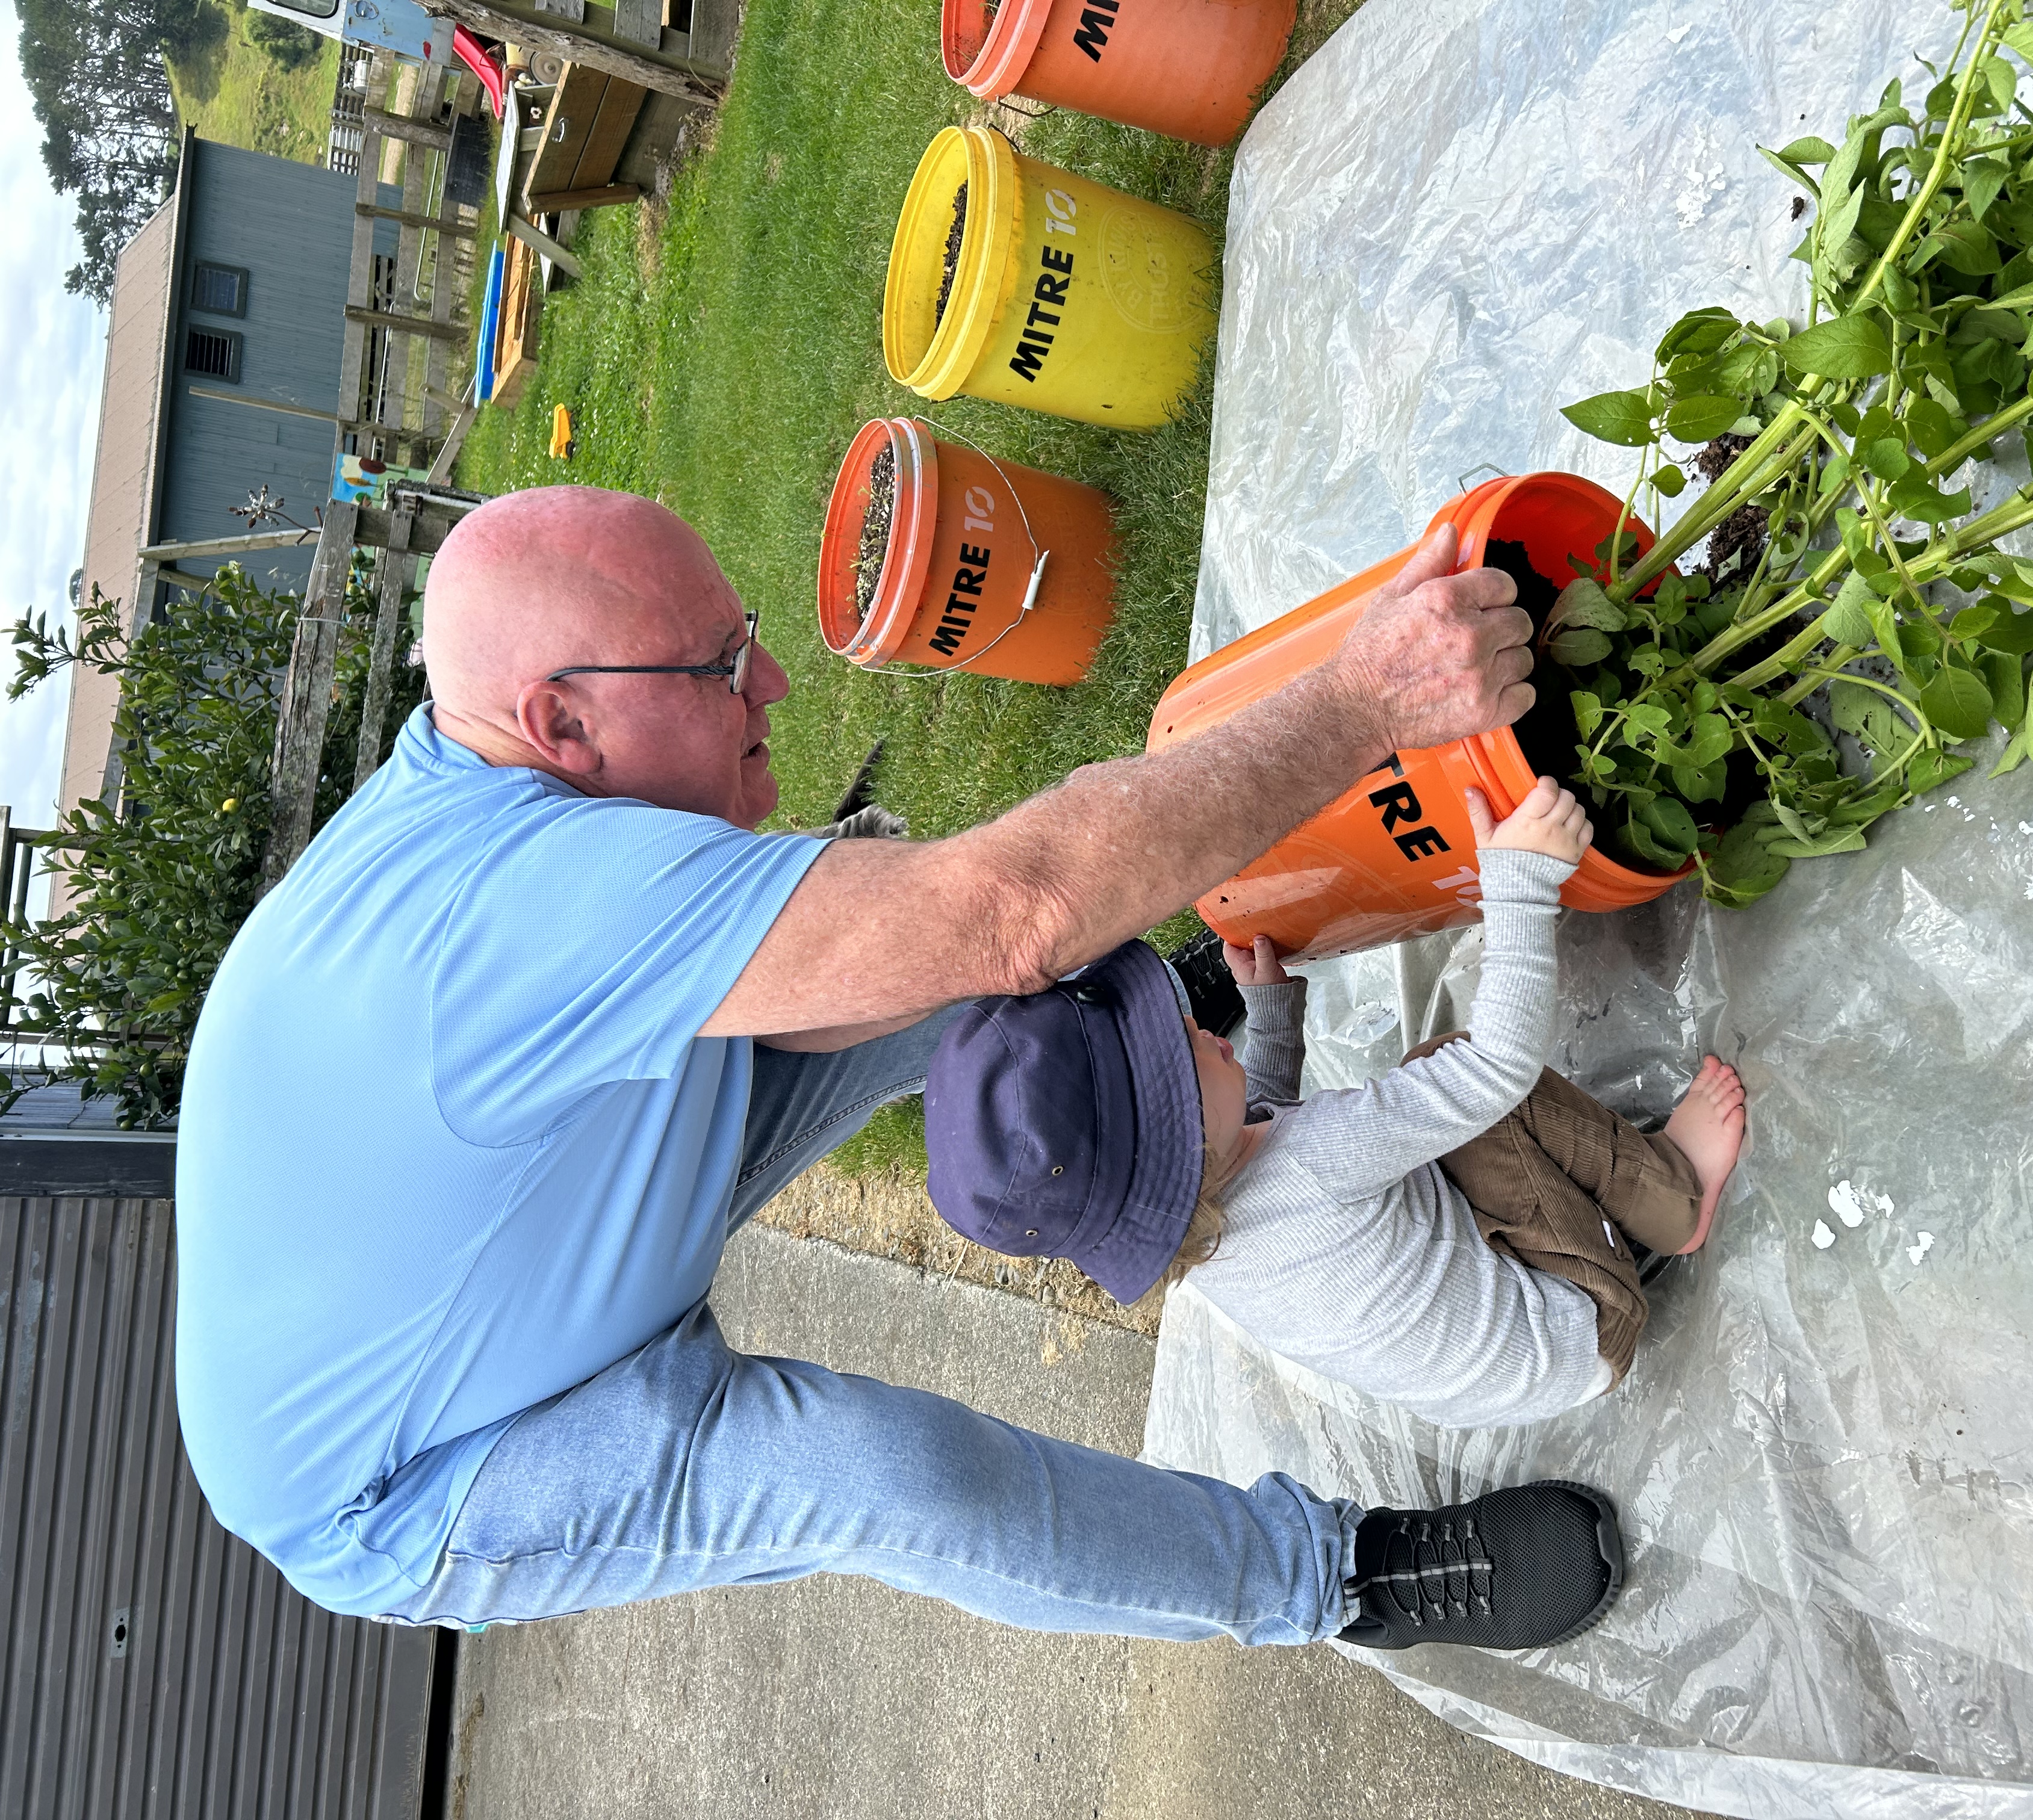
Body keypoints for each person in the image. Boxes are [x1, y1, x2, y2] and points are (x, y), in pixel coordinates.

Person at [172, 484, 1625, 1654]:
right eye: (721, 668)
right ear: (561, 722)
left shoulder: (505, 785)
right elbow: (1014, 908)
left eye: (744, 633)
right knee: (886, 1481)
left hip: (543, 1186)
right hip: (432, 1458)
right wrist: (1369, 700)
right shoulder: (514, 915)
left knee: (916, 934)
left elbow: (954, 937)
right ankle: (1345, 1582)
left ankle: (1161, 1045)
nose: (777, 681)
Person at [924, 777, 1746, 1432]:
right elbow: (1496, 1068)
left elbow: (1261, 1128)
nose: (1193, 1019)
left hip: (1511, 1374)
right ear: (1176, 1158)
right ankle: (1673, 1195)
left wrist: (1273, 1019)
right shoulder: (1318, 1165)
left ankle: (1618, 1207)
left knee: (1440, 1104)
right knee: (1459, 1073)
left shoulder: (1202, 1227)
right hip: (1586, 1324)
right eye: (1178, 1056)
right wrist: (1521, 885)